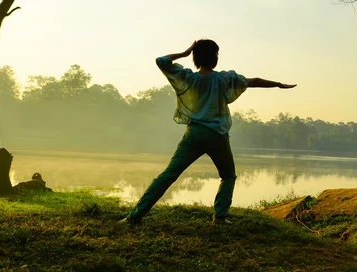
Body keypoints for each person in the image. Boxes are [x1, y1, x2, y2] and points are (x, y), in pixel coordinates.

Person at [120, 39, 296, 225]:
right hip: (217, 136)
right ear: (214, 57)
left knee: (168, 175)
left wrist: (184, 53)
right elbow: (254, 81)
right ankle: (220, 217)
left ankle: (135, 216)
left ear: (196, 57)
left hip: (193, 134)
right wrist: (277, 84)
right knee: (228, 176)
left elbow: (161, 61)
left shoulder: (189, 78)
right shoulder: (224, 78)